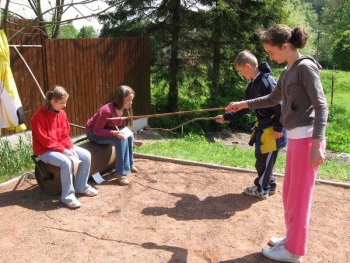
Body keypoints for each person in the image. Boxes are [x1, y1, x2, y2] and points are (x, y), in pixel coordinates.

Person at [226, 24, 328, 262]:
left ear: (285, 46)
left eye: (271, 52)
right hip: (296, 139)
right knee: (290, 195)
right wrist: (243, 104)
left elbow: (321, 106)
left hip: (307, 140)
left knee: (299, 197)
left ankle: (294, 251)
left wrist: (317, 142)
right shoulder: (287, 71)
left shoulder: (306, 68)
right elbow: (273, 98)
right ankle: (291, 239)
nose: (269, 57)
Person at [215, 50, 287, 199]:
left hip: (273, 128)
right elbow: (244, 107)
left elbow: (280, 105)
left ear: (247, 66)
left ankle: (262, 189)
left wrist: (279, 127)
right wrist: (226, 117)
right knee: (261, 160)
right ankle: (270, 185)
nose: (241, 74)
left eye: (241, 71)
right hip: (262, 127)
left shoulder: (268, 83)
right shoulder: (252, 85)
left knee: (265, 161)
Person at [31, 85, 98, 209]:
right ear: (53, 102)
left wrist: (70, 147)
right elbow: (45, 141)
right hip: (45, 150)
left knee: (86, 155)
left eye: (65, 102)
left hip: (60, 146)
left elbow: (65, 134)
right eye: (62, 103)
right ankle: (67, 196)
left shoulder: (62, 114)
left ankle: (81, 186)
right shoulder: (38, 117)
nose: (65, 105)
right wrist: (63, 150)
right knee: (65, 162)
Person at [86, 85, 143, 186]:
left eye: (131, 100)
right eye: (128, 100)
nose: (131, 103)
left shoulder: (125, 109)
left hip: (108, 129)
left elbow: (124, 129)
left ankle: (129, 164)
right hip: (93, 133)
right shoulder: (106, 111)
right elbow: (96, 131)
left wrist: (134, 140)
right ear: (120, 99)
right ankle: (121, 173)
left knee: (128, 136)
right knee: (120, 139)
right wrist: (114, 133)